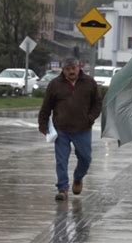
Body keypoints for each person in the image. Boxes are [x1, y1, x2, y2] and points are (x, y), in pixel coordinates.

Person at [38, 57, 102, 201]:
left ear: (78, 67)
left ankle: (78, 178)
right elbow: (46, 106)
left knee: (85, 159)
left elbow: (97, 103)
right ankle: (62, 189)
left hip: (83, 128)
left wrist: (90, 117)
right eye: (68, 69)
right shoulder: (55, 84)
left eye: (73, 68)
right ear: (63, 70)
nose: (71, 71)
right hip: (61, 129)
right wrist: (42, 124)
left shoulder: (89, 83)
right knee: (61, 160)